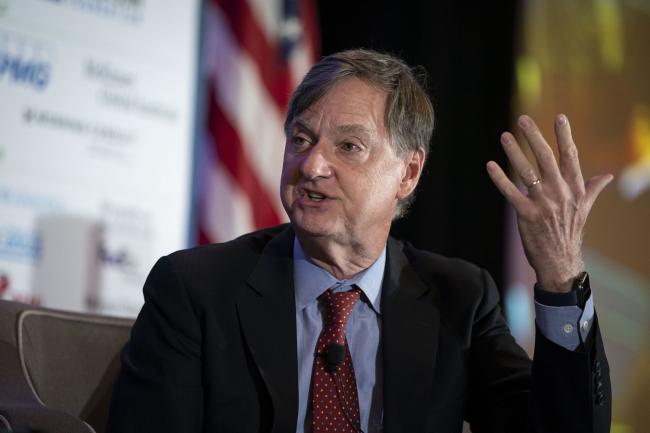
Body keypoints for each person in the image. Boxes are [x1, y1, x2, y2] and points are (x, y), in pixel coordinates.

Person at [107, 49, 612, 433]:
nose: (312, 165)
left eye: (348, 146)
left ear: (408, 173)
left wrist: (561, 273)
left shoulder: (460, 300)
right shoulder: (196, 290)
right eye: (302, 139)